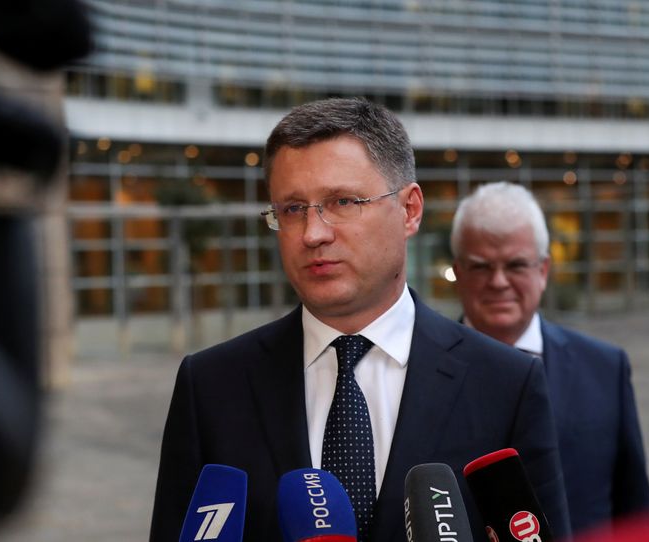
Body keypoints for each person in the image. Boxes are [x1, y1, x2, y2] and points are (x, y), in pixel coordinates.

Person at [150, 98, 571, 542]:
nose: (314, 233)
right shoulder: (212, 386)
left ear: (409, 210)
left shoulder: (507, 385)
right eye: (293, 209)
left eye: (343, 201)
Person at [450, 181, 649, 535]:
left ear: (543, 271)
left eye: (515, 265)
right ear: (459, 271)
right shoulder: (419, 369)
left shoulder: (605, 369)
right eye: (482, 267)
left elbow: (634, 514)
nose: (498, 281)